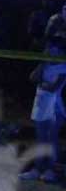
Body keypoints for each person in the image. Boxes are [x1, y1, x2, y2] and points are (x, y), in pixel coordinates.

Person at [20, 34, 66, 182]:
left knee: (51, 138)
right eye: (49, 47)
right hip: (40, 104)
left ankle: (52, 169)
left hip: (55, 107)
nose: (51, 51)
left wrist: (43, 84)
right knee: (40, 138)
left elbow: (53, 87)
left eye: (55, 48)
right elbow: (32, 77)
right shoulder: (44, 64)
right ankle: (38, 168)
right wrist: (42, 64)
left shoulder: (63, 66)